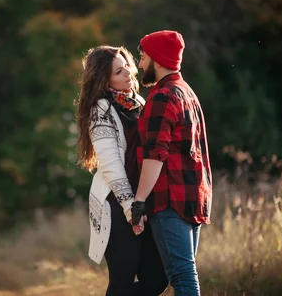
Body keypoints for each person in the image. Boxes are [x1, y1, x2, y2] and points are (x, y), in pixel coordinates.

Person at [76, 45, 168, 296]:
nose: (129, 72)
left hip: (143, 199)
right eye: (119, 71)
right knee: (122, 280)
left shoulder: (138, 102)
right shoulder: (100, 110)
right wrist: (130, 207)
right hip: (116, 205)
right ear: (105, 80)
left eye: (127, 65)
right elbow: (110, 164)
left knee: (157, 280)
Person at [130, 31, 213, 296]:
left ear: (156, 58)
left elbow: (155, 154)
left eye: (142, 57)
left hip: (169, 199)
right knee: (185, 273)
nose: (140, 64)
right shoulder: (186, 92)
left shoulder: (162, 96)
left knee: (183, 277)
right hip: (193, 197)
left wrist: (139, 200)